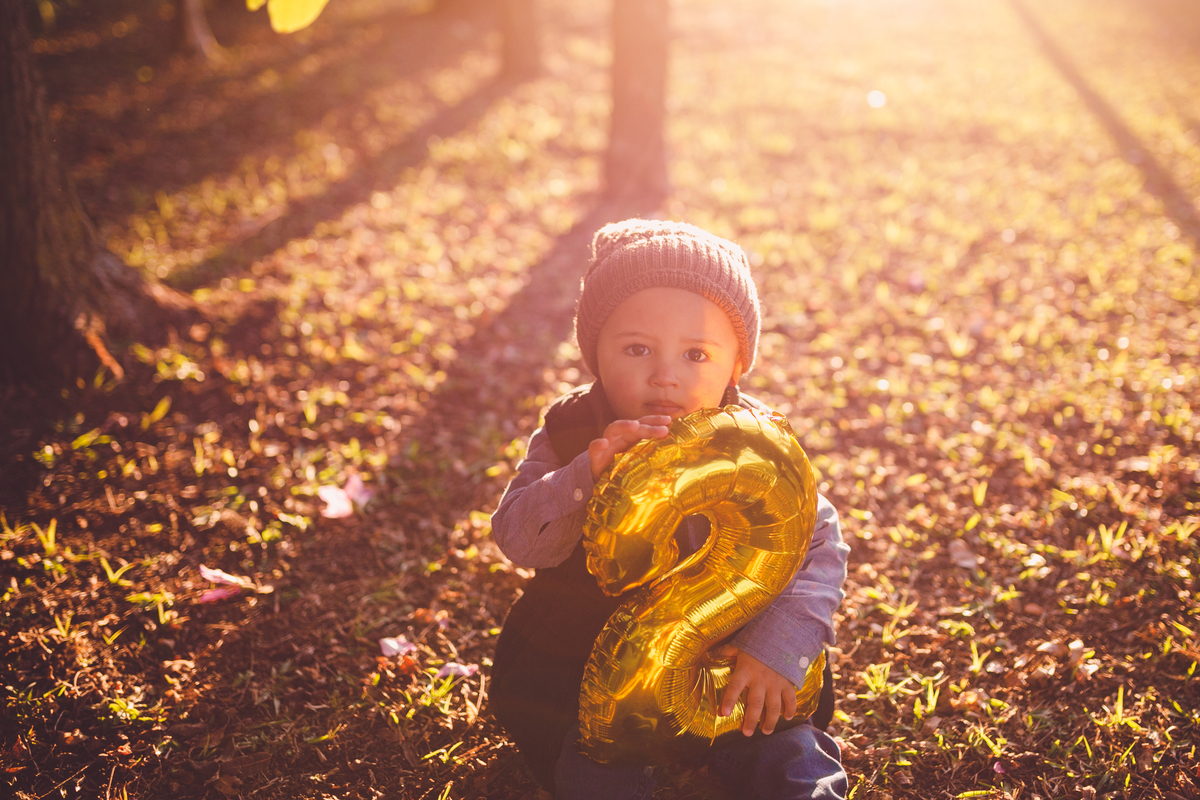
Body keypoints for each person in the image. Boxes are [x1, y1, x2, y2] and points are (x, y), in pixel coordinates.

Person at [488, 219, 850, 799]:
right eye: (636, 348)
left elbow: (817, 543)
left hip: (734, 663)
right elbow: (519, 540)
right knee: (593, 766)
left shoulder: (753, 446)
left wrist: (777, 650)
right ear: (595, 356)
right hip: (594, 662)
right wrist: (584, 477)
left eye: (696, 354)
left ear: (736, 365)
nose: (665, 375)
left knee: (786, 752)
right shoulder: (572, 433)